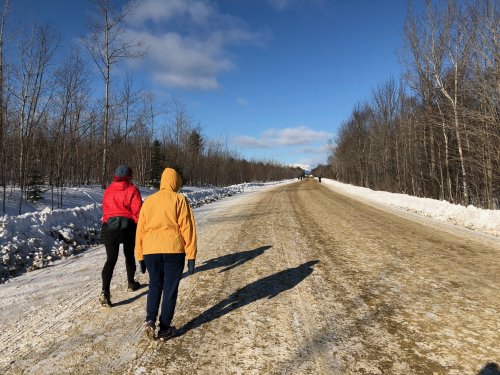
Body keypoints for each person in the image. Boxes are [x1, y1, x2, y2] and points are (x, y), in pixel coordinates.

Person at [135, 167, 197, 341]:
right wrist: (191, 255)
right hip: (173, 250)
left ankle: (149, 321)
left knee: (155, 285)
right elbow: (188, 228)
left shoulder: (149, 201)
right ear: (175, 181)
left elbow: (140, 230)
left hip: (150, 250)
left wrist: (140, 255)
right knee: (169, 289)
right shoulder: (179, 199)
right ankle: (164, 328)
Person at [99, 165, 143, 307]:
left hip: (109, 226)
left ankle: (105, 291)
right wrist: (140, 226)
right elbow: (137, 211)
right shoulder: (132, 190)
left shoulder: (108, 190)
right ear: (129, 176)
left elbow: (106, 209)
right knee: (129, 254)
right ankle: (131, 283)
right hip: (128, 227)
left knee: (110, 259)